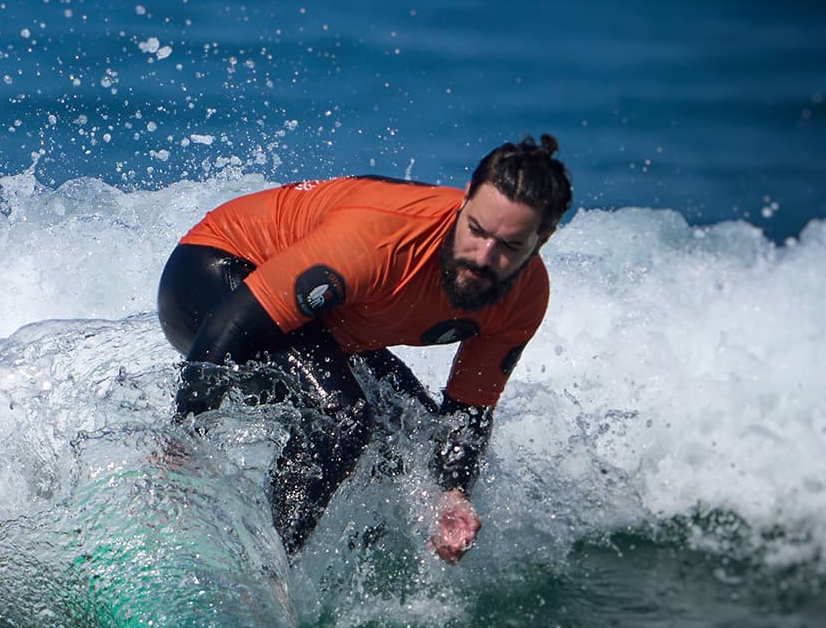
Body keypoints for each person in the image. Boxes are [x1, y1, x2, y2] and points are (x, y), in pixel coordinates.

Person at [157, 136, 572, 564]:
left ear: (543, 239)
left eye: (509, 246)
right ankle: (263, 570)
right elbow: (231, 324)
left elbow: (468, 410)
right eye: (477, 230)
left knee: (412, 437)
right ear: (465, 200)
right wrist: (185, 437)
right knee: (344, 416)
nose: (484, 257)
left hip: (319, 321)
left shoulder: (524, 298)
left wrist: (452, 494)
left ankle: (351, 571)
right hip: (214, 280)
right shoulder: (380, 240)